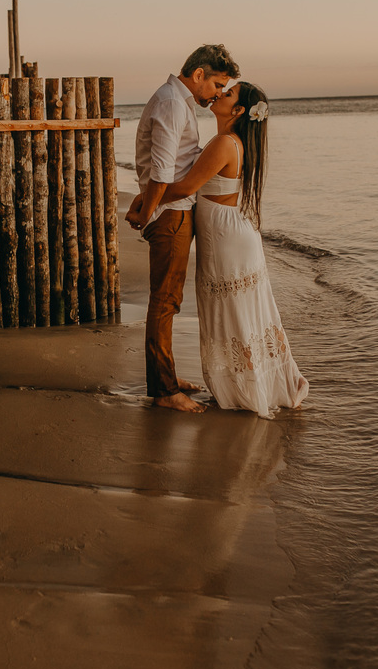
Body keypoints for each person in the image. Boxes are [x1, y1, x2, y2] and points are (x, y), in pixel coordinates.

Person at [129, 82, 308, 417]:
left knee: (232, 312)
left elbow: (185, 186)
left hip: (226, 238)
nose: (219, 94)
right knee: (240, 312)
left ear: (238, 111)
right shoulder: (233, 142)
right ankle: (250, 382)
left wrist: (142, 204)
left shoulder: (225, 143)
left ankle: (244, 387)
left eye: (228, 94)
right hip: (233, 233)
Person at [129, 45, 239, 412]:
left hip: (171, 211)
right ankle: (163, 392)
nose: (219, 93)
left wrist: (146, 206)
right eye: (217, 84)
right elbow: (161, 171)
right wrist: (148, 214)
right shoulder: (174, 104)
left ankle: (168, 379)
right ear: (198, 76)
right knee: (164, 302)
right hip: (170, 214)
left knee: (169, 301)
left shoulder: (178, 101)